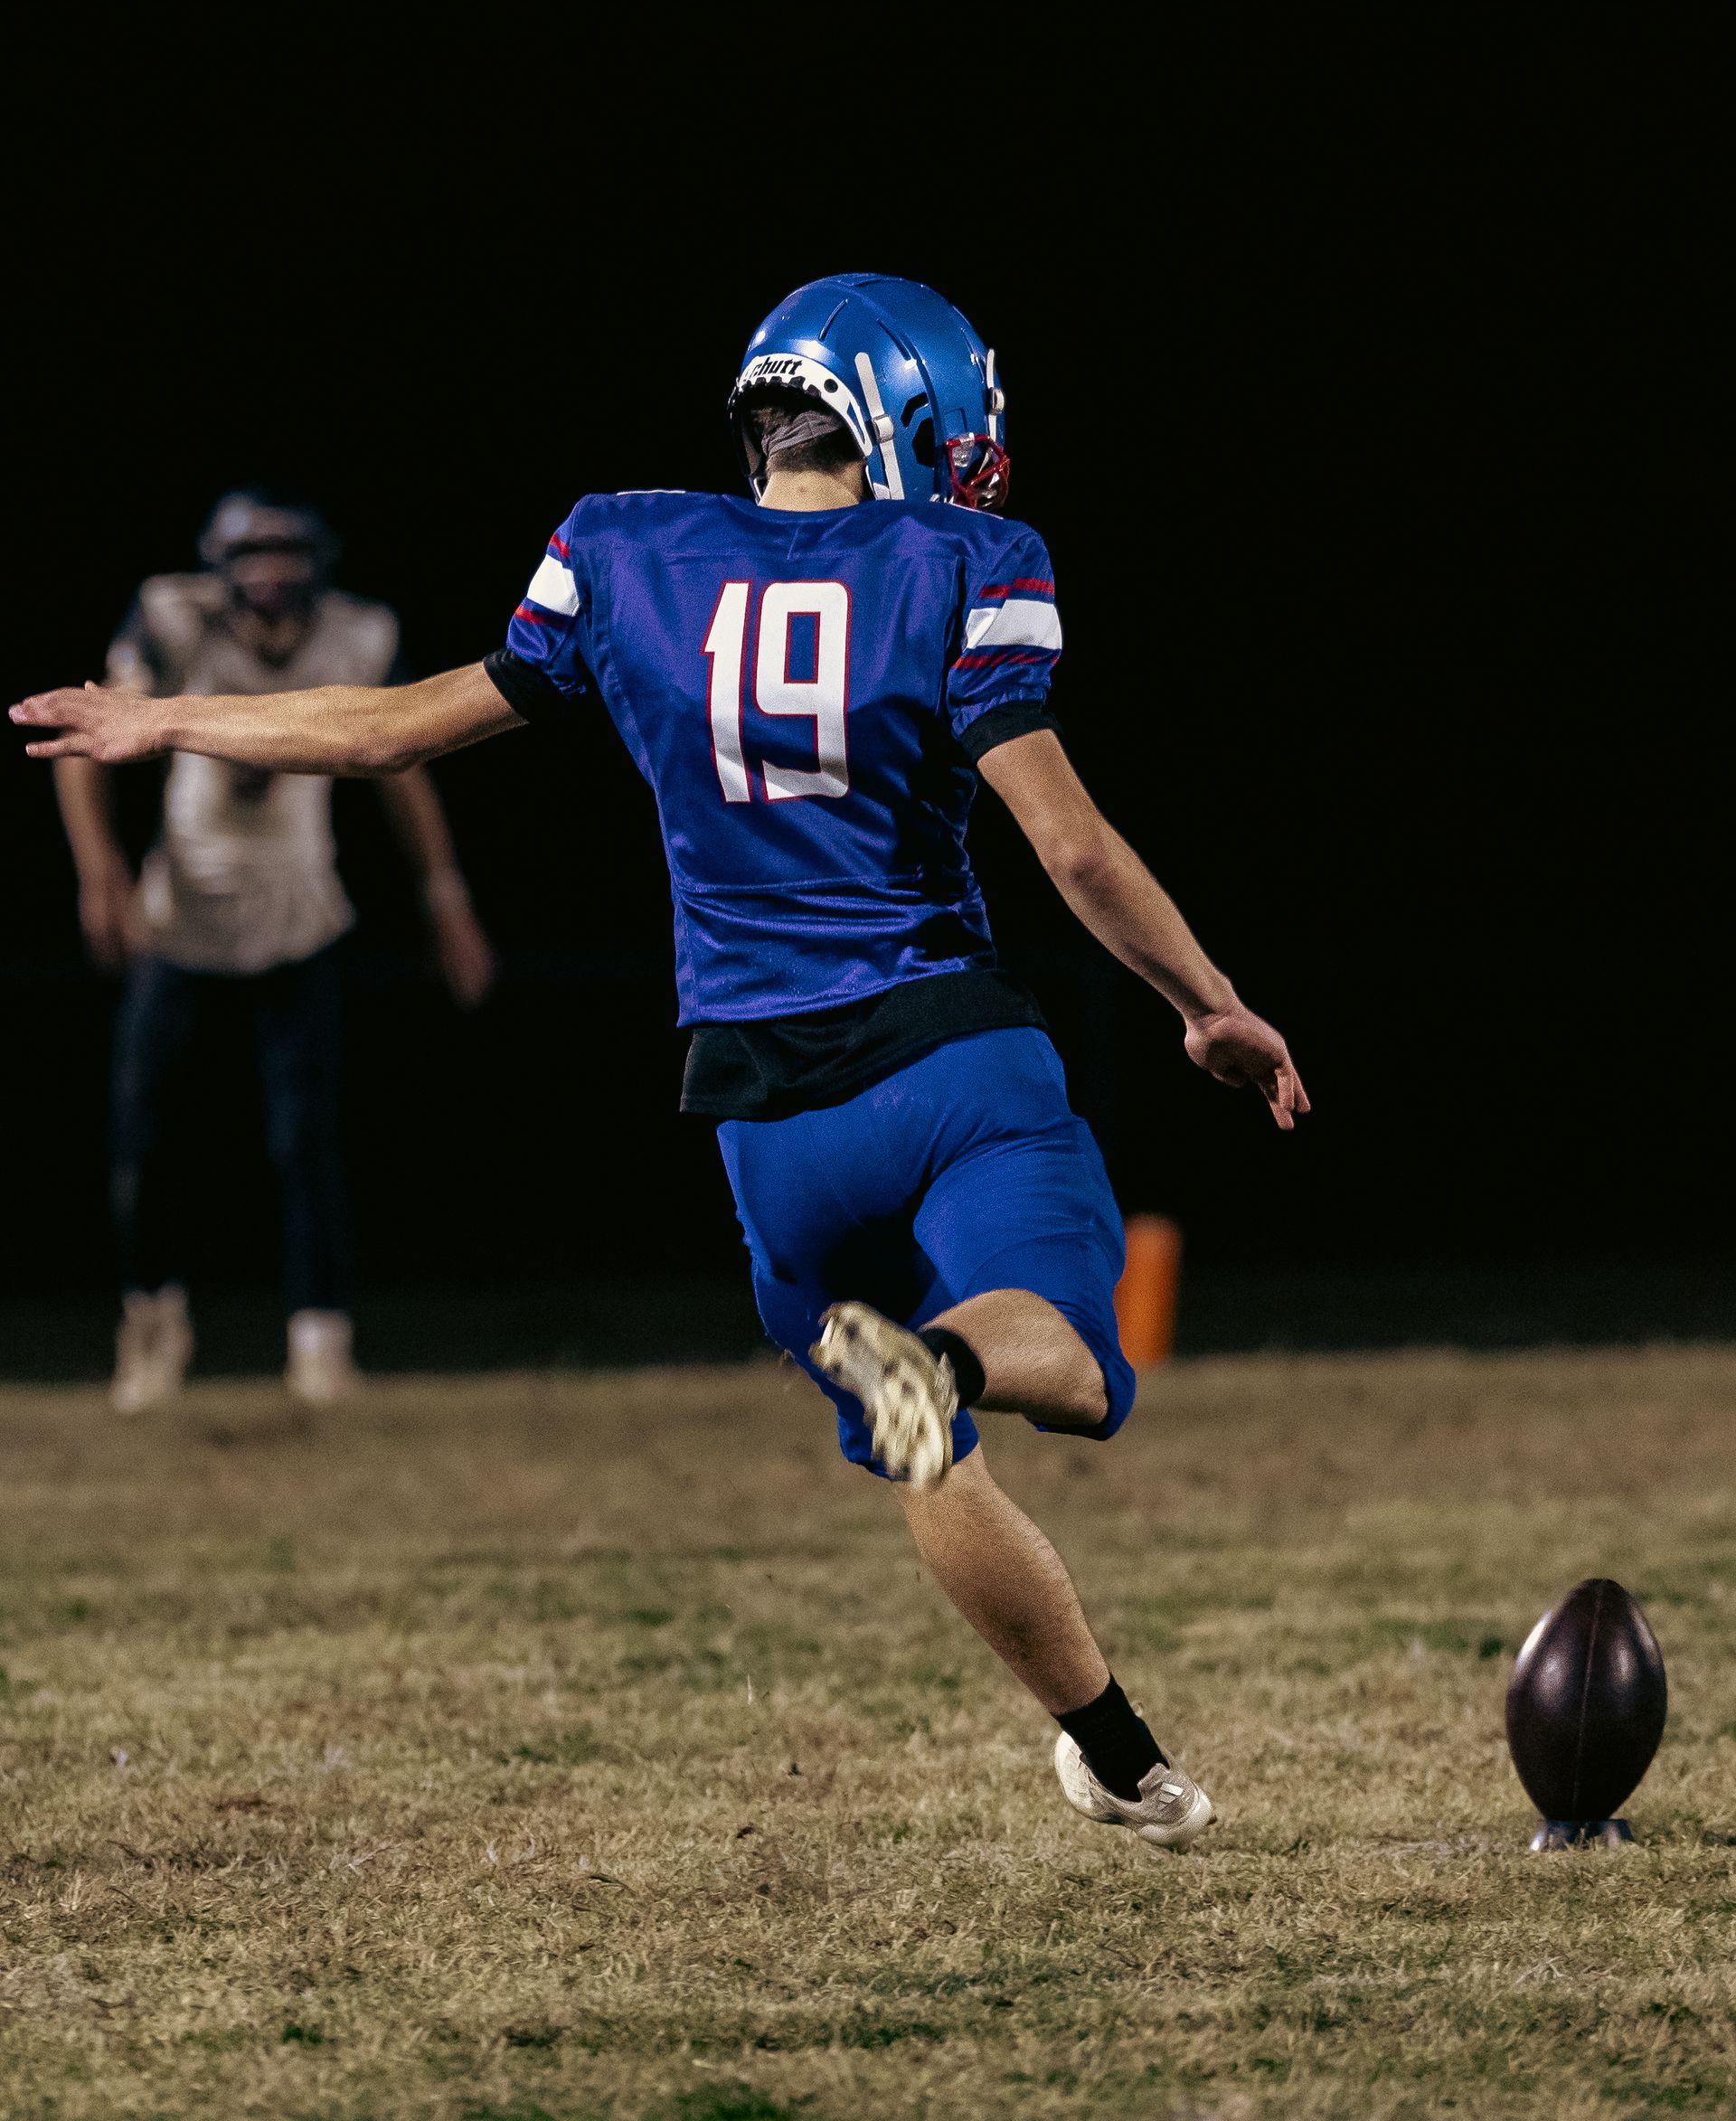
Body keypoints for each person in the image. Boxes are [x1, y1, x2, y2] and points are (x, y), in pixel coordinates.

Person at [15, 278, 1307, 1850]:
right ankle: (955, 1357)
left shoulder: (624, 550)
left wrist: (168, 723)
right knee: (1075, 1367)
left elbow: (390, 730)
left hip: (761, 1119)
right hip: (941, 1049)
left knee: (922, 1457)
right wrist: (1208, 1002)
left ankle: (1121, 1761)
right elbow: (1074, 847)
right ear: (907, 408)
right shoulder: (969, 560)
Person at [49, 488, 496, 1409]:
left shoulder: (357, 635)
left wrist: (443, 892)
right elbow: (86, 739)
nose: (274, 587)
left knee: (309, 1141)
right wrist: (99, 872)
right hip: (183, 913)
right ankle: (152, 1327)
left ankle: (321, 1339)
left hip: (301, 912)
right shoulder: (172, 618)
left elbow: (397, 762)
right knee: (148, 1141)